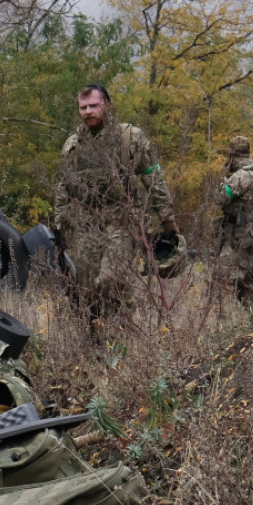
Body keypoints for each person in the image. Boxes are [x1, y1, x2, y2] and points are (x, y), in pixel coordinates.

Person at [53, 83, 179, 329]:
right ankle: (96, 345)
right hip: (85, 227)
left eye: (94, 106)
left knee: (110, 282)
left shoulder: (129, 137)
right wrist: (60, 226)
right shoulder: (73, 144)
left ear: (107, 106)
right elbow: (64, 187)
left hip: (120, 224)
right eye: (83, 107)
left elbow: (153, 178)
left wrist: (167, 221)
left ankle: (121, 336)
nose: (88, 111)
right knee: (86, 292)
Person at [217, 135, 253, 305]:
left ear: (232, 155)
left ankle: (250, 319)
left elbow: (220, 199)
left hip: (240, 236)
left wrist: (222, 178)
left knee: (225, 278)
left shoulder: (241, 176)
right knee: (243, 283)